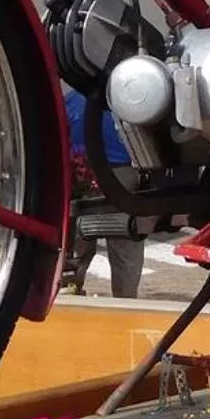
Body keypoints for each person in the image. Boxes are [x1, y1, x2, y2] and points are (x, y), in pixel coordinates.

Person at [64, 87, 145, 298]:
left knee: (78, 242)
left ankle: (70, 290)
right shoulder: (126, 97)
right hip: (124, 173)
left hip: (83, 172)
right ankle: (126, 301)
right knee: (126, 246)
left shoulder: (72, 100)